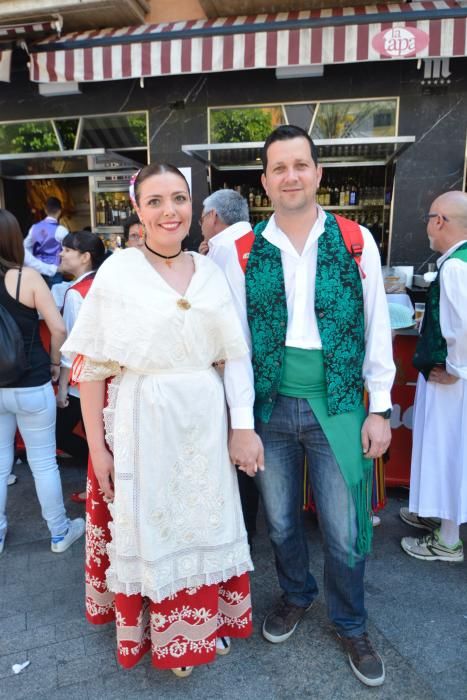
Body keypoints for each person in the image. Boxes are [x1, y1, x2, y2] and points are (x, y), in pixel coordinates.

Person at [60, 163, 253, 677]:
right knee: (156, 526)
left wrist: (240, 421)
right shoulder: (119, 272)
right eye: (155, 201)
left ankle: (202, 622)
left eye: (179, 199)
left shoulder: (211, 269)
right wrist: (98, 451)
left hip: (204, 419)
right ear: (138, 211)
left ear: (194, 206)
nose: (169, 211)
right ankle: (164, 634)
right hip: (144, 418)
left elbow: (231, 351)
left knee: (202, 519)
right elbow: (94, 366)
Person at [223, 125, 395, 687]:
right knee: (278, 521)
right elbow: (234, 345)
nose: (291, 175)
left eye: (301, 164)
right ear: (265, 181)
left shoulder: (354, 239)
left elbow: (375, 327)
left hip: (340, 402)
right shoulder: (239, 249)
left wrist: (380, 406)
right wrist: (241, 424)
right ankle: (295, 594)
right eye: (279, 167)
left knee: (345, 526)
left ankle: (350, 622)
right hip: (270, 406)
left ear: (318, 173)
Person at [0, 209, 85, 555]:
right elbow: (59, 328)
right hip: (32, 382)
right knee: (43, 462)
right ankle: (59, 532)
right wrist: (54, 365)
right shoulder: (28, 278)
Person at [400, 191, 467, 562]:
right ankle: (435, 512)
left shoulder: (456, 266)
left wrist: (456, 370)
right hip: (453, 377)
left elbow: (463, 327)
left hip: (452, 382)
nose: (427, 225)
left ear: (440, 220)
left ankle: (448, 538)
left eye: (429, 218)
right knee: (445, 448)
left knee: (448, 451)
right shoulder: (458, 262)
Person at [198, 188, 259, 546]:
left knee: (234, 452)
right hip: (262, 368)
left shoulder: (222, 251)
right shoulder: (258, 243)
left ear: (213, 217)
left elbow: (228, 330)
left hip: (230, 371)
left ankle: (240, 532)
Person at [55, 231, 106, 503]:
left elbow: (72, 350)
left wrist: (62, 388)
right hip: (106, 377)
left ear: (85, 257)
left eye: (67, 250)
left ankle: (98, 483)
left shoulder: (76, 294)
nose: (62, 254)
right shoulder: (102, 285)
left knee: (61, 434)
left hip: (83, 383)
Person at [198, 189, 252, 267]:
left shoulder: (221, 248)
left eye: (202, 220)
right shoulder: (259, 242)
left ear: (212, 215)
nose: (201, 228)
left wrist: (203, 261)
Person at [23, 197, 69, 286]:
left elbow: (24, 247)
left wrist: (32, 261)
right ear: (60, 211)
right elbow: (68, 251)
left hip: (37, 270)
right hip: (55, 270)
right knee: (54, 297)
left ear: (45, 210)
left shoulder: (34, 227)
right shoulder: (61, 230)